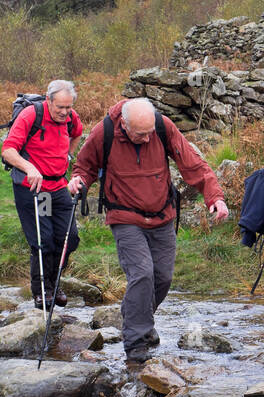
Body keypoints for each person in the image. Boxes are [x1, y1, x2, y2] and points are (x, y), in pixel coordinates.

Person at [70, 97, 228, 365]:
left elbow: (193, 164)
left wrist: (215, 197)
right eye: (140, 134)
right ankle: (135, 344)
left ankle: (135, 318)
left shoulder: (162, 127)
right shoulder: (104, 132)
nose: (147, 138)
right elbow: (84, 167)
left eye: (149, 132)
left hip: (163, 215)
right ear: (124, 125)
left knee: (162, 278)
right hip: (125, 216)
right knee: (141, 274)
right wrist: (78, 182)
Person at [1, 80, 84, 309]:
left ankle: (54, 282)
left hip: (58, 187)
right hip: (35, 190)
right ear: (49, 101)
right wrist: (29, 167)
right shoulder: (30, 115)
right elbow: (8, 150)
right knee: (43, 240)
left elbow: (77, 132)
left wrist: (67, 155)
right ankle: (43, 291)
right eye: (60, 108)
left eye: (69, 107)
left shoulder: (70, 117)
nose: (65, 113)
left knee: (69, 238)